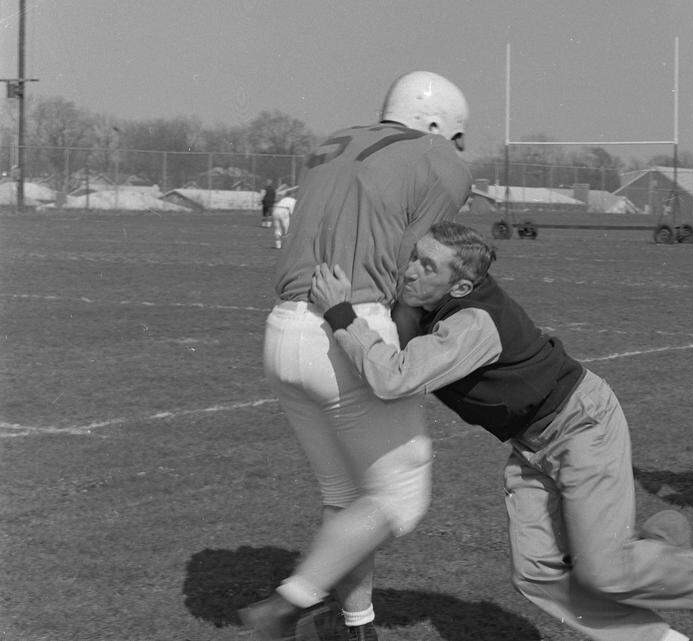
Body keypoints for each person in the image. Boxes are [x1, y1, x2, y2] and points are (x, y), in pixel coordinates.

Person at [308, 221, 693, 641]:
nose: (411, 271)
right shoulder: (430, 302)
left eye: (428, 266)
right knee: (536, 572)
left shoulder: (474, 322)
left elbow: (394, 378)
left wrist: (340, 314)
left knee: (605, 569)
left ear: (462, 286)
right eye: (415, 257)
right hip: (533, 446)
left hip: (581, 426)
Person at [239, 71, 472, 641]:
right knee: (400, 496)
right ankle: (286, 606)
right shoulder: (436, 154)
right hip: (349, 329)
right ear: (438, 125)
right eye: (456, 137)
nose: (458, 149)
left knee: (346, 500)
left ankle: (356, 627)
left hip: (285, 329)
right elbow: (416, 270)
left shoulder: (333, 142)